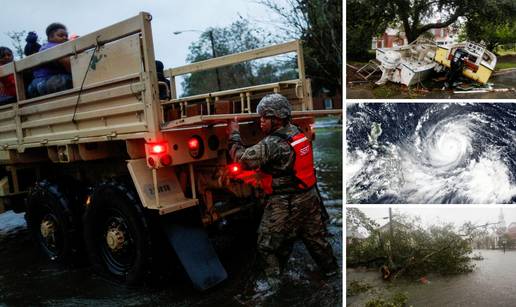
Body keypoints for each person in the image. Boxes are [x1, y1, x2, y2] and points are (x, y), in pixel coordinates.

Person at [228, 93, 338, 296]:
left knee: (266, 245)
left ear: (276, 119)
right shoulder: (296, 132)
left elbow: (240, 158)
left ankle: (274, 288)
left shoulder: (273, 144)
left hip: (286, 202)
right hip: (309, 197)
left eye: (264, 118)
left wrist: (234, 134)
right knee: (316, 240)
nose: (260, 121)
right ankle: (333, 275)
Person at [27, 23, 72, 97]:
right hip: (46, 82)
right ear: (50, 38)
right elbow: (69, 64)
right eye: (60, 35)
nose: (65, 38)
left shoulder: (46, 47)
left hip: (35, 85)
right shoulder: (50, 47)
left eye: (66, 36)